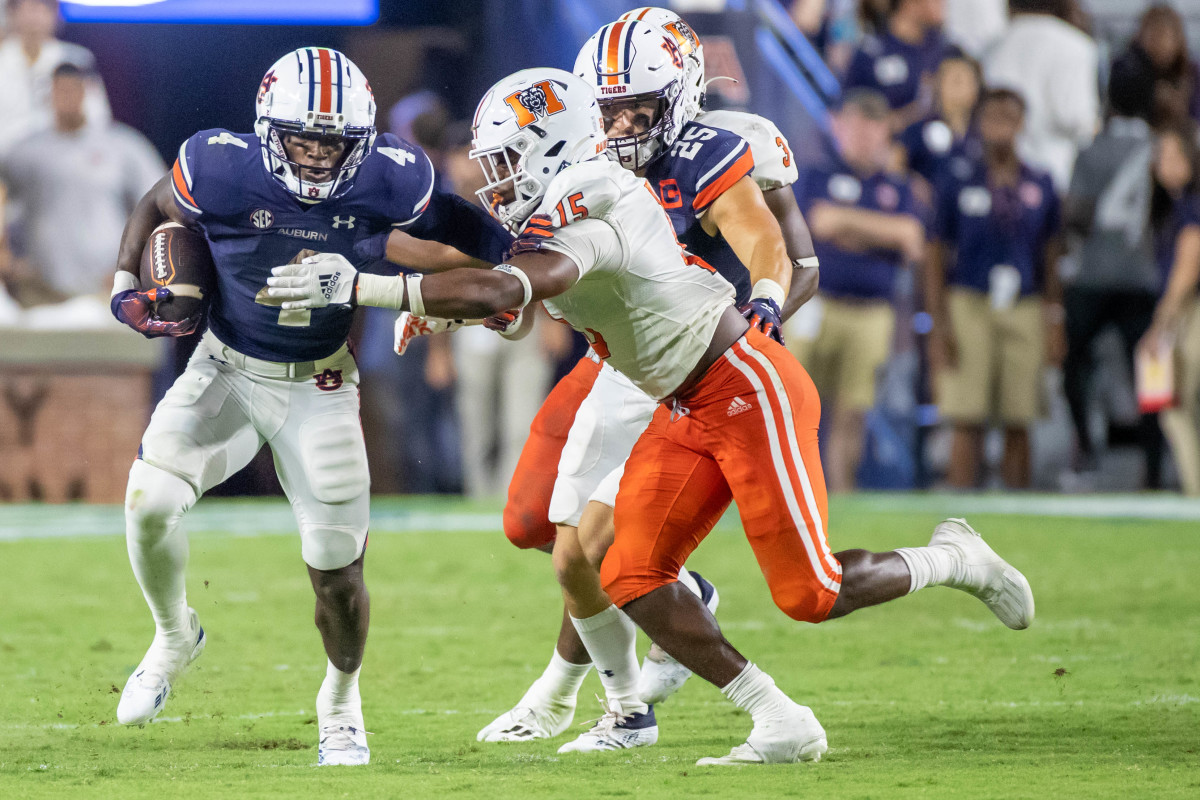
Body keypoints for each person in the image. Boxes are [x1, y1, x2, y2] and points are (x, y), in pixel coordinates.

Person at [269, 65, 1035, 767]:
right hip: (679, 397)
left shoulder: (596, 193)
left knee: (811, 594)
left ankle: (953, 557)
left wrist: (371, 288)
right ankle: (776, 718)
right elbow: (517, 301)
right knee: (624, 569)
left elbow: (514, 289)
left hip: (742, 385)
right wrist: (442, 314)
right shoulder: (558, 203)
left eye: (505, 163)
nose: (492, 182)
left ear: (552, 147)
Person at [108, 47, 511, 766]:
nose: (320, 157)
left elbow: (465, 229)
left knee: (337, 568)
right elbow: (154, 204)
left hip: (320, 383)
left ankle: (340, 700)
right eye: (304, 139)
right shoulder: (220, 167)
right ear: (269, 131)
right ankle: (174, 637)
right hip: (225, 366)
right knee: (147, 501)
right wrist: (120, 281)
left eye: (334, 142)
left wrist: (520, 265)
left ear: (362, 141)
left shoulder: (395, 176)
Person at [465, 11, 820, 752]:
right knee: (533, 522)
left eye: (639, 107)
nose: (623, 123)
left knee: (601, 547)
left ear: (681, 93)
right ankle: (677, 602)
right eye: (610, 108)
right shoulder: (578, 158)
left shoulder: (725, 145)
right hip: (609, 357)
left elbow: (791, 259)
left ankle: (589, 700)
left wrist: (762, 305)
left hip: (691, 358)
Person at [924, 88, 1064, 488]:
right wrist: (940, 324)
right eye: (993, 117)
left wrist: (1055, 317)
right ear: (980, 122)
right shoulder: (956, 177)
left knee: (1020, 416)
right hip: (969, 299)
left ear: (1022, 124)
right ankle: (960, 512)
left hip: (1026, 301)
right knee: (967, 414)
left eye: (1010, 118)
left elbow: (1052, 255)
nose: (1001, 127)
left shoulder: (1041, 181)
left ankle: (1015, 511)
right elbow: (935, 255)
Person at [788, 88, 924, 492]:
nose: (863, 135)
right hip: (815, 304)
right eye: (855, 124)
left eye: (872, 126)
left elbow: (912, 237)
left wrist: (850, 226)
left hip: (870, 312)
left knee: (853, 411)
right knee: (796, 408)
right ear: (838, 126)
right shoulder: (815, 173)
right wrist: (879, 232)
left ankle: (842, 495)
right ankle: (791, 493)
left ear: (885, 131)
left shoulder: (897, 187)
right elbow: (821, 222)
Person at [1061, 70, 1163, 488]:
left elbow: (1078, 214)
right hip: (1143, 275)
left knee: (1075, 362)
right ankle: (1154, 464)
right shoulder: (1158, 146)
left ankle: (1084, 443)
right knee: (1151, 368)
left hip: (1094, 274)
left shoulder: (1093, 149)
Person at [0, 63, 162, 306]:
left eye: (73, 89)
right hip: (40, 290)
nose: (66, 97)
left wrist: (134, 265)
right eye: (60, 90)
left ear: (86, 91)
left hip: (107, 288)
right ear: (49, 95)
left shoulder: (122, 145)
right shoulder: (25, 153)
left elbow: (158, 205)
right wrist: (6, 256)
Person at [983, 0, 1098, 194]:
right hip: (1051, 171)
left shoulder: (995, 44)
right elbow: (1074, 117)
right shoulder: (1077, 46)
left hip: (997, 170)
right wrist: (1092, 125)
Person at [1142, 124, 1200, 495]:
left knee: (1175, 402)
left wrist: (1160, 324)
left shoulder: (1191, 205)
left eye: (1175, 156)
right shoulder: (1174, 205)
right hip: (1186, 308)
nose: (1166, 165)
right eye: (1160, 156)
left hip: (1191, 310)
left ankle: (1196, 491)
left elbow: (1188, 265)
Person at [0, 0, 110, 157]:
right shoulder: (3, 59)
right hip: (6, 165)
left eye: (43, 8)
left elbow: (98, 118)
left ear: (55, 13)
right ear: (12, 13)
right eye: (29, 8)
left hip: (64, 160)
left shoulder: (77, 59)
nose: (35, 17)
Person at [843, 0, 950, 128]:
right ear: (909, 4)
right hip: (879, 141)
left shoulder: (942, 48)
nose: (942, 4)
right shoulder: (871, 50)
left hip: (933, 139)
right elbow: (848, 105)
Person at [1108, 4, 1200, 129]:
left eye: (1165, 37)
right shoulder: (1126, 69)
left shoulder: (1191, 73)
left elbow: (1195, 121)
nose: (1160, 45)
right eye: (1154, 36)